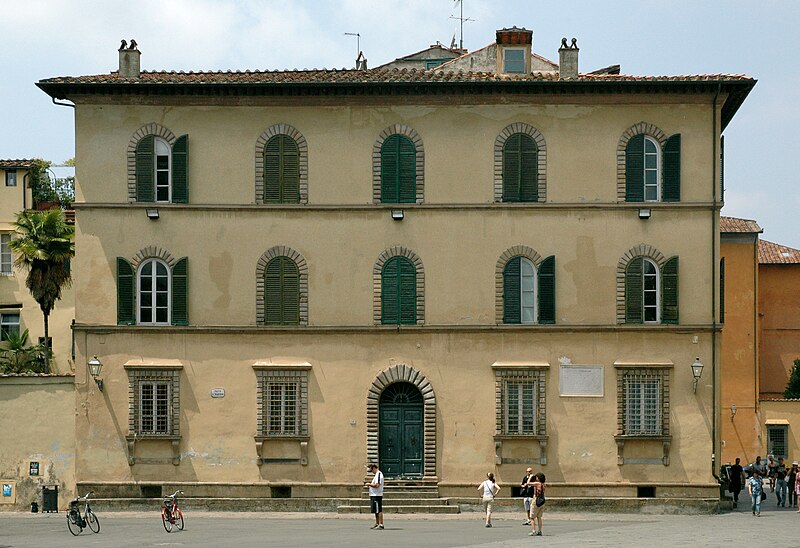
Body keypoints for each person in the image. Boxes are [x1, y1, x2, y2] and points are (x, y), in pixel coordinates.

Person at [528, 472, 546, 536]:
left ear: (538, 478)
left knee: (532, 517)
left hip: (536, 501)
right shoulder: (543, 484)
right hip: (542, 501)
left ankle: (533, 531)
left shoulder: (537, 483)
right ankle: (540, 530)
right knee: (539, 517)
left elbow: (528, 483)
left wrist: (530, 477)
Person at [367, 463, 384, 530]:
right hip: (374, 494)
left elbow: (377, 485)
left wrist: (369, 484)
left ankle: (381, 524)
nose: (372, 472)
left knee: (378, 509)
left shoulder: (379, 474)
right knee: (375, 510)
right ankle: (377, 523)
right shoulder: (376, 475)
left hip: (377, 495)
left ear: (374, 468)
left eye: (371, 470)